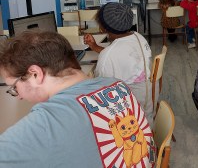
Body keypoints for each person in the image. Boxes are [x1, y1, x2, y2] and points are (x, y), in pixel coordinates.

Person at [0, 31, 155, 167]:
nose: (18, 96)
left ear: (35, 74)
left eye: (14, 87)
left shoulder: (46, 122)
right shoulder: (118, 85)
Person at [83, 2, 155, 123]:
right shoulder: (138, 36)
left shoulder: (109, 55)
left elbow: (99, 93)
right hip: (146, 106)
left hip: (131, 119)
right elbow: (121, 56)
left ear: (103, 28)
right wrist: (94, 46)